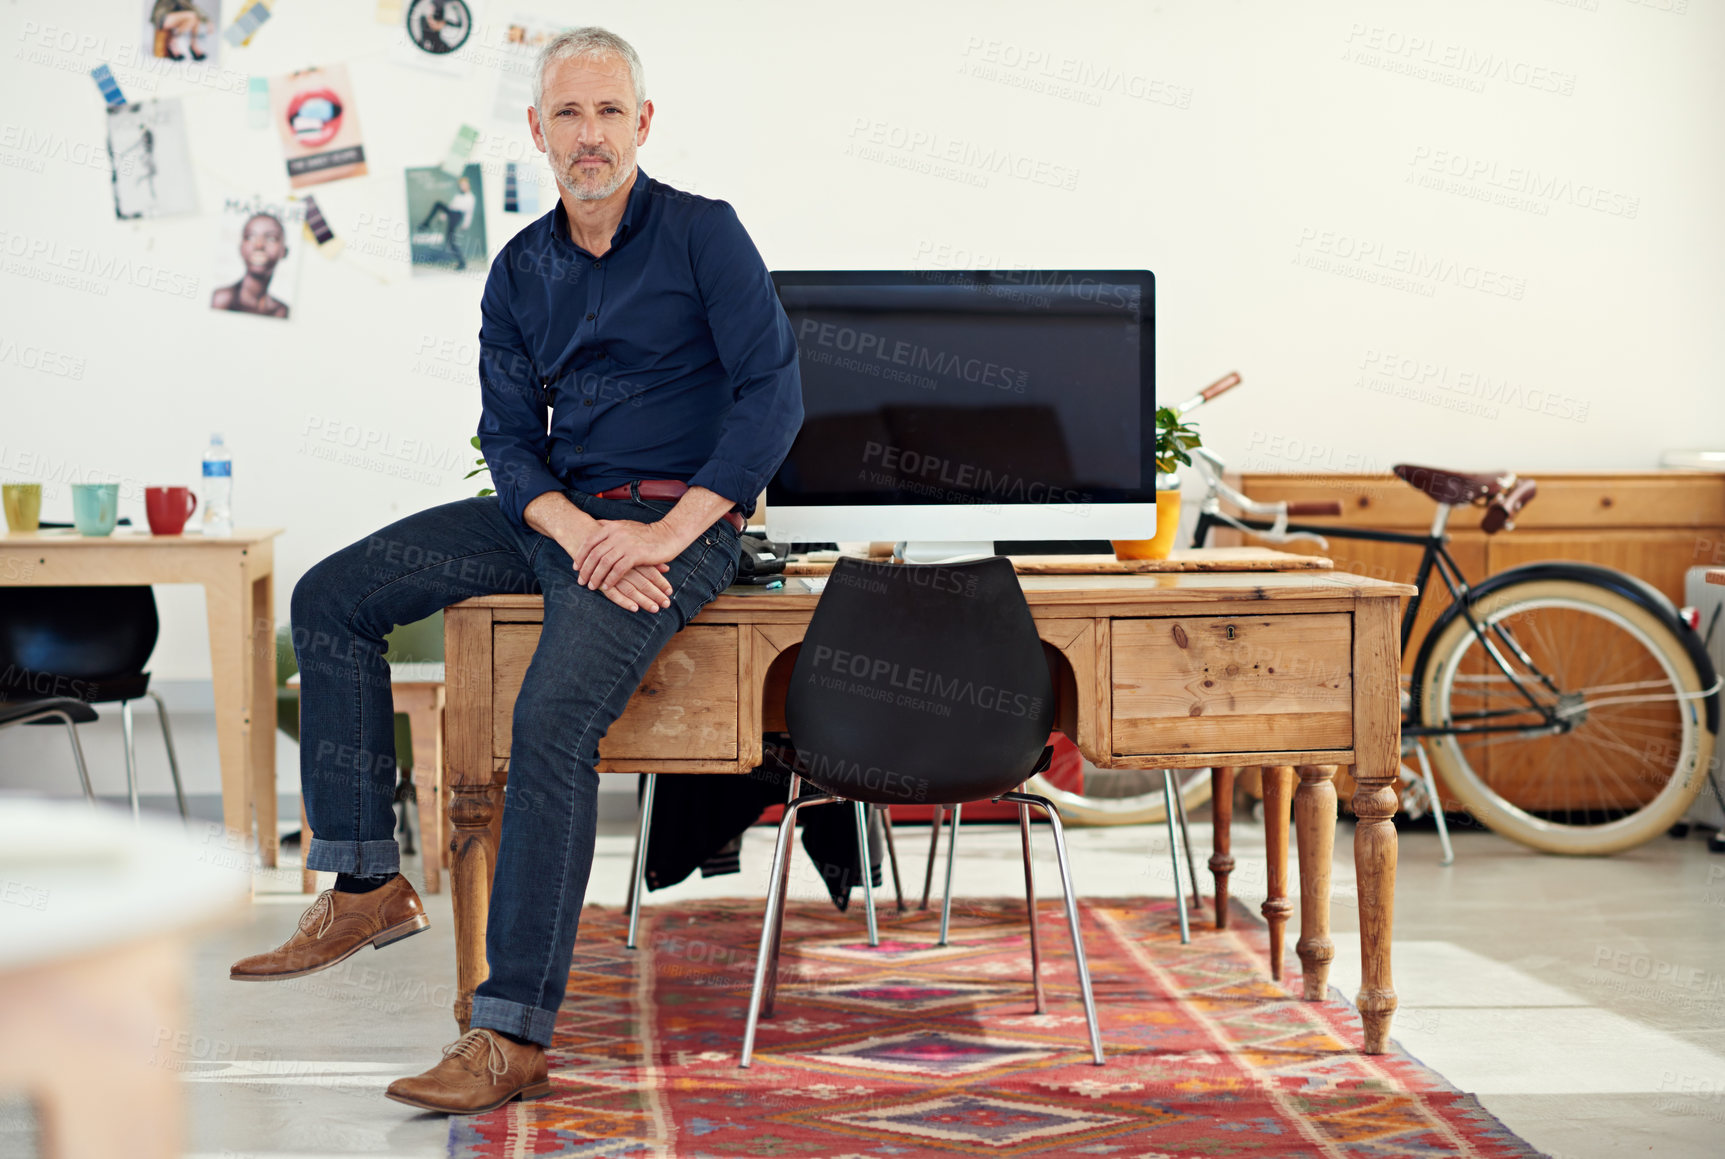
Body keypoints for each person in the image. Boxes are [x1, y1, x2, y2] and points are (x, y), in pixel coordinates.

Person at [227, 27, 803, 1116]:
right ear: (537, 131)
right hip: (562, 518)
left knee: (548, 727)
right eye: (570, 115)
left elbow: (772, 398)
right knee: (333, 599)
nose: (591, 135)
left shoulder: (703, 236)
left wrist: (663, 539)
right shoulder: (518, 269)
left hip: (679, 525)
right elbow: (509, 440)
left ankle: (510, 1036)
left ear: (643, 124)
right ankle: (365, 881)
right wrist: (577, 534)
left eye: (610, 113)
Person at [211, 212, 291, 318]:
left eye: (271, 238)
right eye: (250, 237)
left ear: (284, 251)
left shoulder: (281, 311)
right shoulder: (220, 299)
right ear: (240, 248)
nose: (259, 245)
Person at [418, 175, 476, 270]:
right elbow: (451, 206)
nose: (462, 186)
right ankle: (425, 224)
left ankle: (462, 262)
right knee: (438, 204)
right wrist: (443, 216)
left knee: (450, 240)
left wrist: (466, 224)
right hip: (452, 213)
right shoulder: (458, 196)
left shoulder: (471, 197)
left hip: (458, 216)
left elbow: (469, 212)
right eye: (461, 185)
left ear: (468, 185)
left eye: (464, 184)